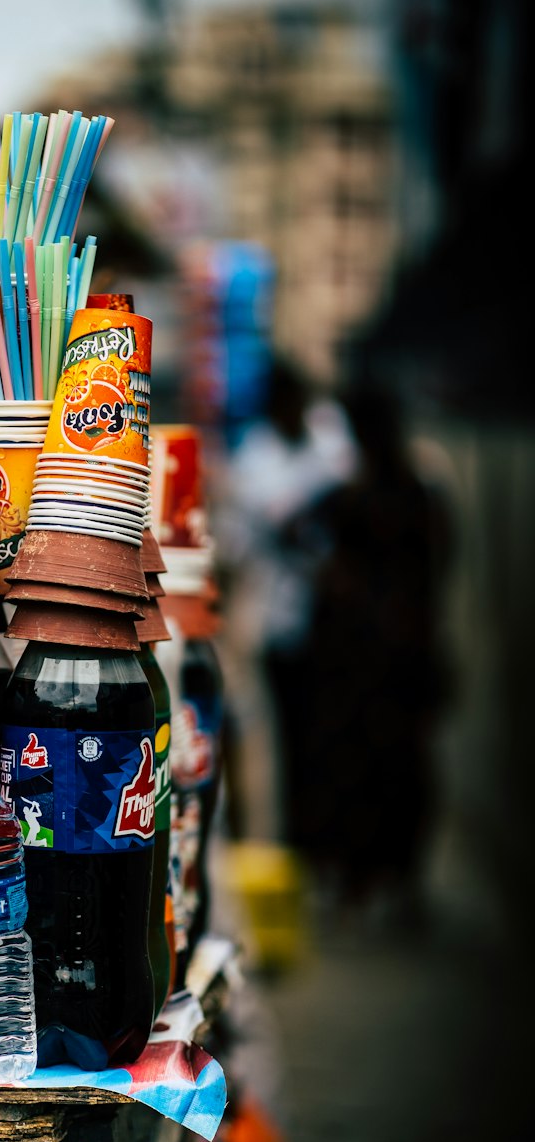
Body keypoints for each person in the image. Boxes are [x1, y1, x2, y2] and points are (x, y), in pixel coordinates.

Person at [301, 381, 454, 923]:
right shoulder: (387, 494)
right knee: (376, 771)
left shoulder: (391, 496)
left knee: (385, 771)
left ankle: (384, 884)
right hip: (371, 661)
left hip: (382, 662)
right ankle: (377, 883)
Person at [215, 357, 356, 851]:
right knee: (297, 730)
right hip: (278, 621)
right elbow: (262, 532)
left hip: (335, 622)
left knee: (336, 731)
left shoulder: (328, 437)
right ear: (275, 408)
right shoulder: (255, 460)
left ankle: (329, 837)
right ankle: (303, 840)